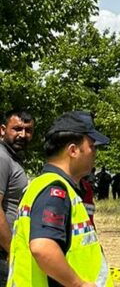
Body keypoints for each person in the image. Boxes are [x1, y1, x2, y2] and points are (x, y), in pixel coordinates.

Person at [5, 111, 110, 287]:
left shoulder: (43, 185)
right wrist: (78, 284)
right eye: (92, 146)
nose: (95, 153)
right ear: (73, 150)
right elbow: (43, 247)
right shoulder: (55, 190)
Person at [0, 109, 35, 285]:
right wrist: (12, 250)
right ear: (2, 130)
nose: (22, 135)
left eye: (28, 130)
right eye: (17, 129)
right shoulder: (2, 158)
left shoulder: (12, 158)